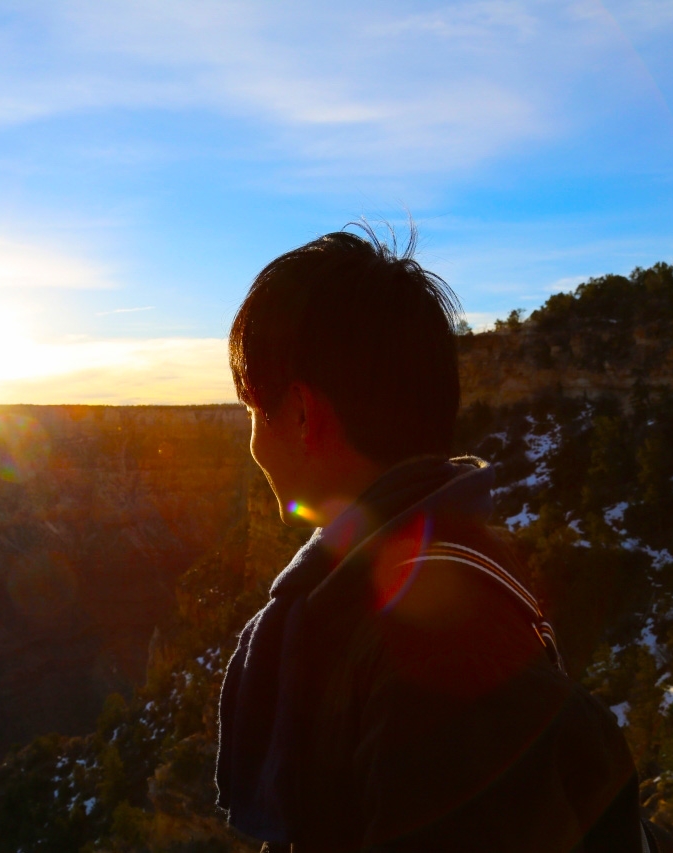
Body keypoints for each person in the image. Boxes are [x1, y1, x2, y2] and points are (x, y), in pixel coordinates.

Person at [214, 227, 646, 852]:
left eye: (254, 412)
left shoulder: (430, 655)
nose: (253, 442)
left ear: (303, 414)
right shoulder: (453, 569)